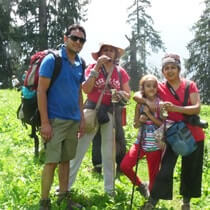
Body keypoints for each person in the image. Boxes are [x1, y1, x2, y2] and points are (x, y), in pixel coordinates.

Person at [134, 54, 205, 210]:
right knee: (166, 167)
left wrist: (175, 108)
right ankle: (153, 200)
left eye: (173, 67)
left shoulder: (189, 85)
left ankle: (186, 202)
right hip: (173, 135)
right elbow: (138, 94)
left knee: (191, 170)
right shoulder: (159, 86)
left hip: (194, 134)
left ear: (178, 68)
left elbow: (197, 107)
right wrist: (146, 101)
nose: (170, 70)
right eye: (166, 68)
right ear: (163, 71)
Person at [68, 42, 131, 195]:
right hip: (91, 110)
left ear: (116, 54)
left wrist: (121, 95)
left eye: (111, 50)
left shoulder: (120, 72)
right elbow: (86, 89)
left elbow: (128, 95)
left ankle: (110, 190)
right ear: (99, 53)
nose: (108, 53)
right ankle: (66, 187)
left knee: (109, 152)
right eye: (105, 50)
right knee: (79, 148)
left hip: (110, 113)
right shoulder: (91, 67)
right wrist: (97, 67)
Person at [37, 24, 86, 210]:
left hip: (73, 120)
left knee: (65, 160)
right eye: (74, 38)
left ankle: (63, 197)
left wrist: (81, 117)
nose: (78, 42)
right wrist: (45, 123)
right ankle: (44, 202)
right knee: (51, 162)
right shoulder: (52, 60)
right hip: (55, 120)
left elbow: (78, 92)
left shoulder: (80, 63)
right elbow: (41, 91)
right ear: (65, 38)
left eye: (81, 40)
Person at [120, 74, 163, 199]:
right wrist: (140, 120)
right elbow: (135, 125)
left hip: (155, 144)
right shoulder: (140, 104)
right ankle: (140, 184)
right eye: (148, 86)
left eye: (154, 86)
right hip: (140, 142)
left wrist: (149, 115)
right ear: (142, 88)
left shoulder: (160, 103)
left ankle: (151, 200)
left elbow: (162, 124)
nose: (151, 88)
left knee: (153, 175)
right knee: (125, 166)